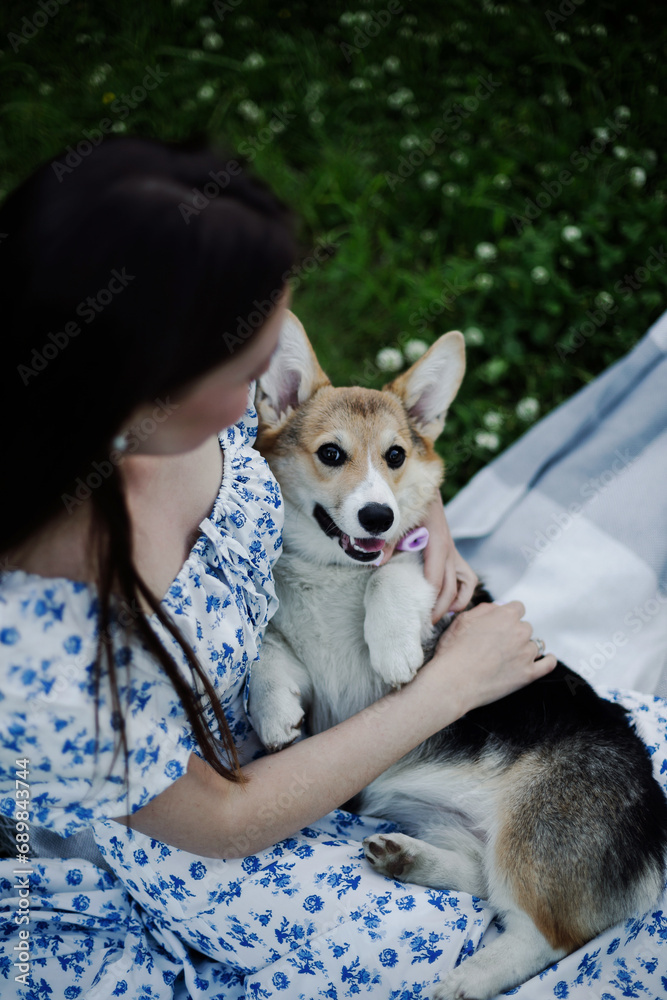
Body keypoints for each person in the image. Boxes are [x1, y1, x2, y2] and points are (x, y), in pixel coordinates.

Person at [0, 134, 655, 1000]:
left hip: (364, 734)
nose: (281, 374)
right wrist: (446, 689)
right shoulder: (38, 641)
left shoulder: (207, 421)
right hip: (229, 827)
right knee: (479, 954)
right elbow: (223, 820)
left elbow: (362, 454)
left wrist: (426, 528)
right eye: (250, 359)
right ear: (146, 375)